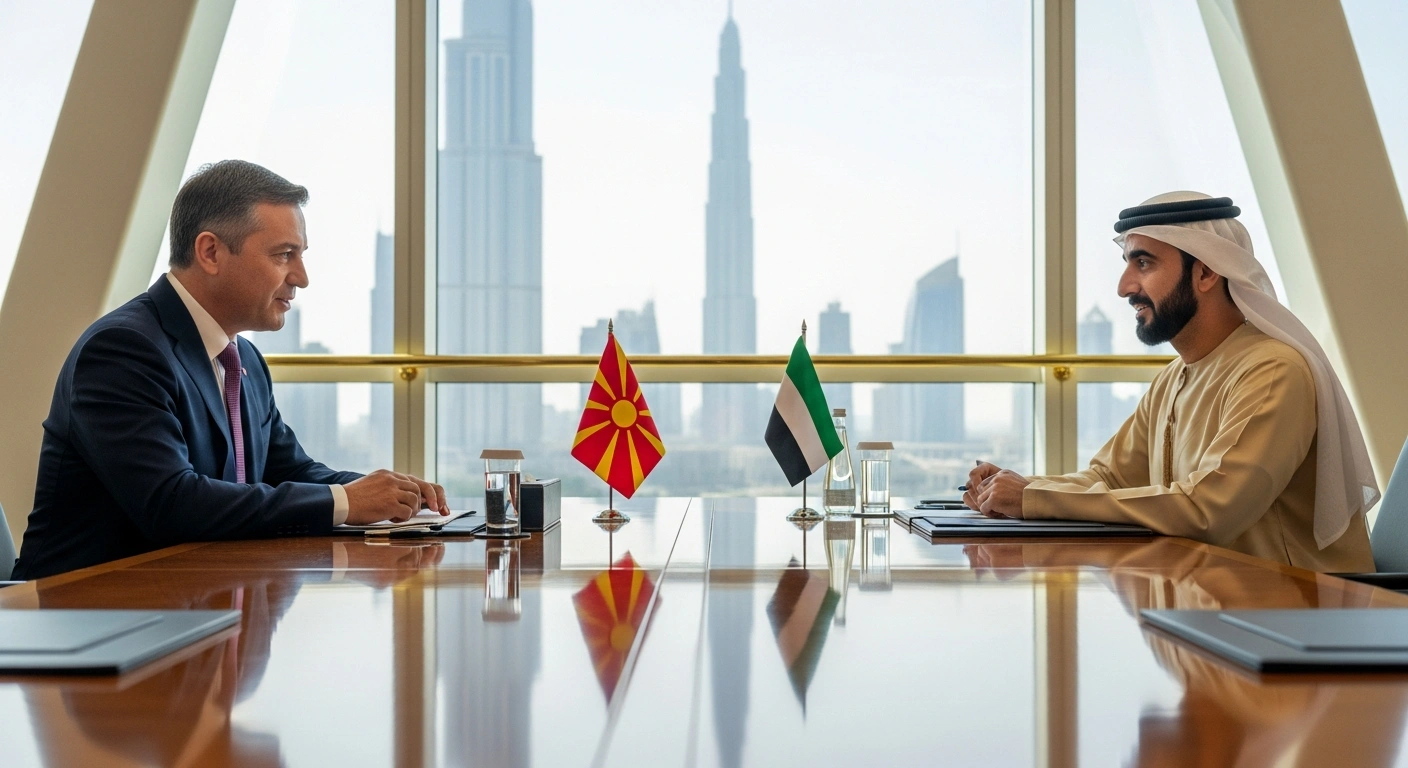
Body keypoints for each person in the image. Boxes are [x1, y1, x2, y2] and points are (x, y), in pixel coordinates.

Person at [12, 160, 448, 580]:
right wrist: (346, 501)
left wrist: (392, 495)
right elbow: (172, 503)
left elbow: (290, 471)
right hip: (88, 618)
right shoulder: (122, 350)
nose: (301, 277)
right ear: (210, 252)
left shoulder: (246, 361)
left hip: (194, 602)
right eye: (284, 255)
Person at [963, 192, 1379, 572]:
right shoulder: (1173, 377)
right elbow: (1108, 479)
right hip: (1210, 608)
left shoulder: (1272, 371)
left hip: (1295, 617)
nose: (1125, 287)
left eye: (1143, 263)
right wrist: (1016, 488)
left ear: (1206, 273)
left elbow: (1209, 510)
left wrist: (1033, 500)